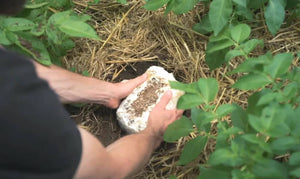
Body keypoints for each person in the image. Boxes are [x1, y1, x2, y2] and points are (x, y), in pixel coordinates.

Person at [0, 1, 183, 179]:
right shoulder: (16, 113)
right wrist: (152, 133)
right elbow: (107, 171)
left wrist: (108, 92)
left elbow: (23, 73)